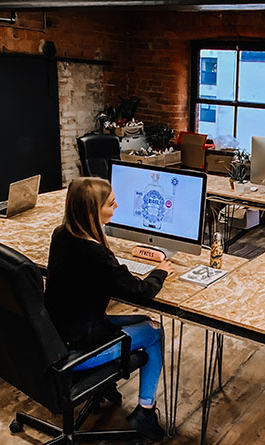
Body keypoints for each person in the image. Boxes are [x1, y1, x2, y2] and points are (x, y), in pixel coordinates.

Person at [44, 177, 174, 442]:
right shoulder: (96, 255)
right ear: (93, 211)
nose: (117, 206)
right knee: (155, 329)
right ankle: (145, 414)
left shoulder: (62, 234)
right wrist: (160, 272)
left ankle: (104, 388)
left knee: (139, 319)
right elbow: (141, 291)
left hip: (56, 336)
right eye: (111, 203)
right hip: (81, 349)